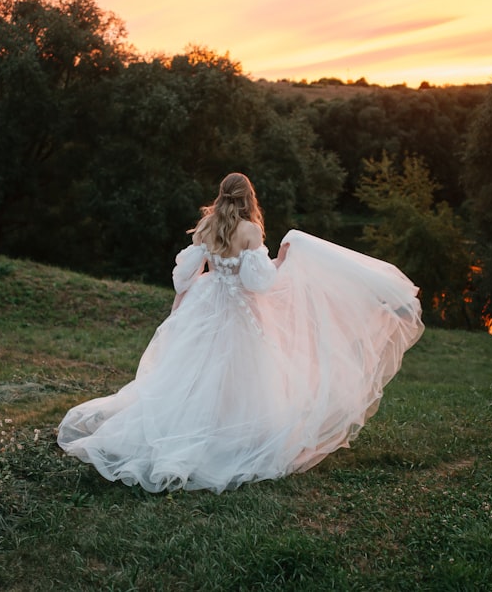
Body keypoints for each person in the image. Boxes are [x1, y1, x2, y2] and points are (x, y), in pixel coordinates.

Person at [57, 173, 424, 493]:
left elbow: (184, 276)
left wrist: (199, 288)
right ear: (248, 197)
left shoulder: (206, 225)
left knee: (193, 374)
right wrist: (279, 263)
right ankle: (231, 437)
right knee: (242, 376)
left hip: (206, 304)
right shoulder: (250, 230)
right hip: (239, 311)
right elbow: (257, 282)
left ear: (220, 194)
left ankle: (187, 431)